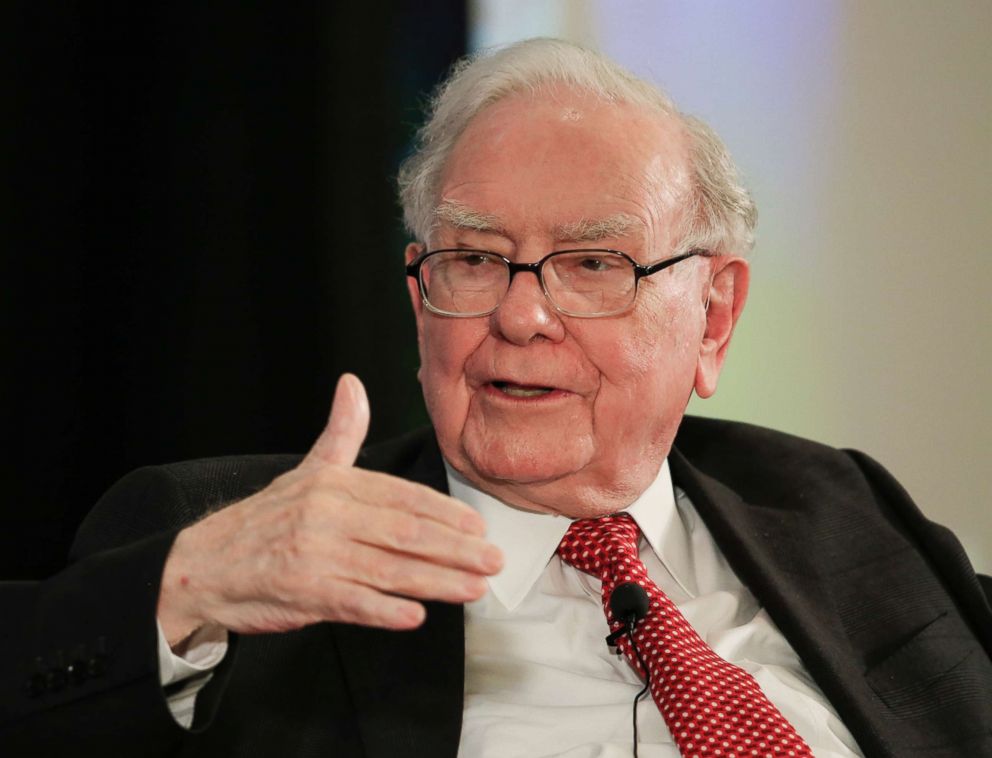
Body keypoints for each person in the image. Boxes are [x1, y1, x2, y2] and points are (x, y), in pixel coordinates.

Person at [3, 38, 989, 758]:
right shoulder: (243, 548)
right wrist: (178, 594)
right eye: (474, 259)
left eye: (593, 263)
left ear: (714, 316)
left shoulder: (833, 503)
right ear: (416, 290)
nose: (520, 316)